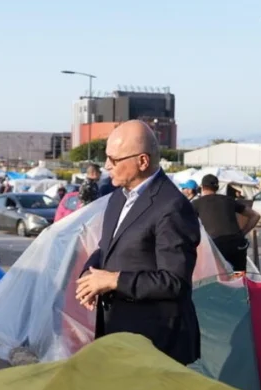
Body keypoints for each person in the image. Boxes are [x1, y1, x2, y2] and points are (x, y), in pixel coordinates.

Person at [75, 120, 201, 365]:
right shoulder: (116, 199)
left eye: (114, 159)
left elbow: (174, 281)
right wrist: (89, 277)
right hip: (118, 333)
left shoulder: (172, 207)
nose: (107, 166)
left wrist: (112, 280)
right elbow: (106, 249)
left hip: (155, 341)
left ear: (142, 161)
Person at [191, 174, 260, 272]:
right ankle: (239, 286)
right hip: (237, 245)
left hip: (216, 246)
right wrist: (242, 233)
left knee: (218, 279)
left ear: (202, 187)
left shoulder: (196, 203)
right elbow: (255, 216)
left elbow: (186, 223)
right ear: (217, 188)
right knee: (239, 277)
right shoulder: (229, 200)